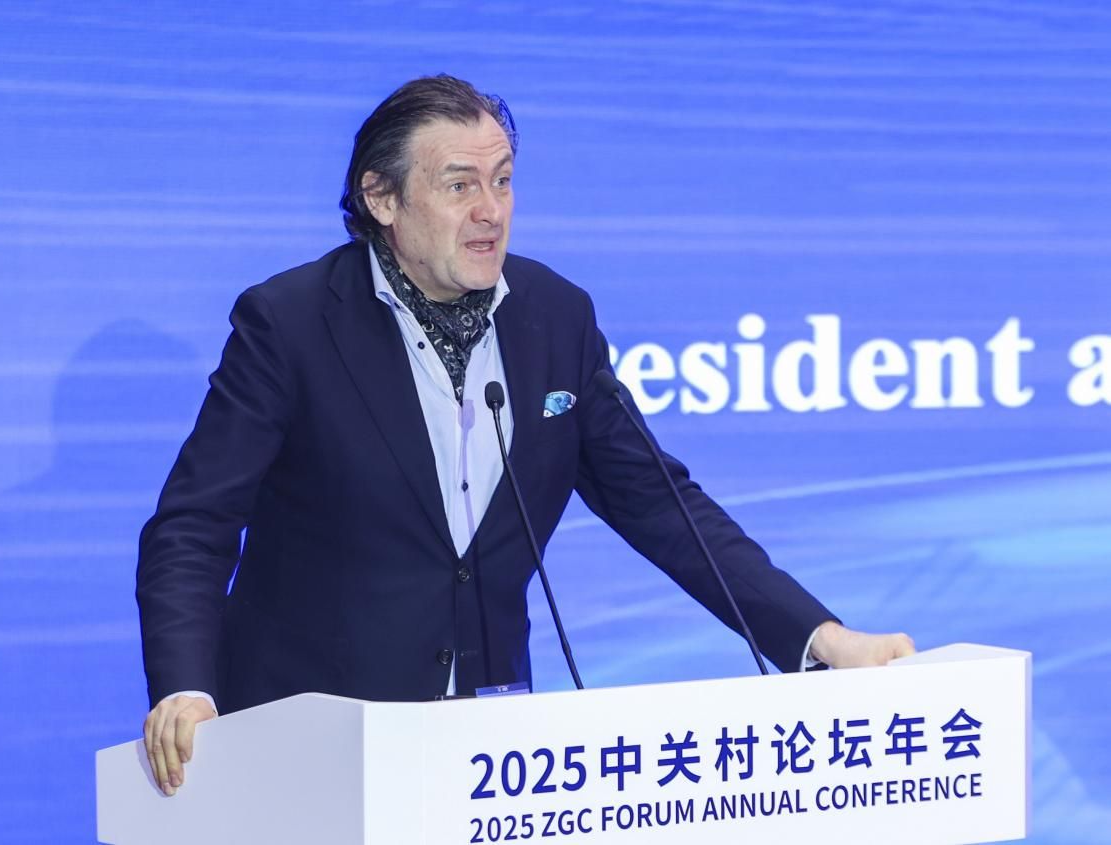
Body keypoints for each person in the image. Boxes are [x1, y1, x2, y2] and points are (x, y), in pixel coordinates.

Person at [136, 74, 915, 797]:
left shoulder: (556, 317)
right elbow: (193, 525)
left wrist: (818, 637)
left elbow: (662, 506)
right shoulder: (292, 323)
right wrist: (187, 688)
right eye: (460, 185)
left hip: (488, 759)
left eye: (503, 181)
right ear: (382, 197)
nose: (492, 210)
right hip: (310, 747)